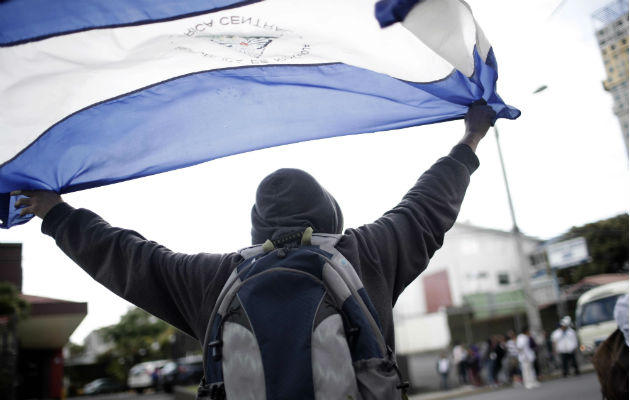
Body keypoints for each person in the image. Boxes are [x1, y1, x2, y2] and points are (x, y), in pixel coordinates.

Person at [12, 104, 496, 391]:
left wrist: (55, 212)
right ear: (331, 216)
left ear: (255, 227)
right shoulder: (366, 254)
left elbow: (126, 257)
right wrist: (471, 136)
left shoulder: (211, 280)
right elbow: (430, 204)